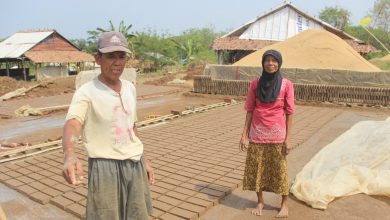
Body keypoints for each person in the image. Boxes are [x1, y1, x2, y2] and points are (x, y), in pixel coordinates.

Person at [62, 31, 154, 220]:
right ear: (98, 58)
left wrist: (145, 160)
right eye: (111, 56)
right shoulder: (86, 92)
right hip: (105, 167)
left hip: (135, 163)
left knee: (138, 214)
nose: (117, 62)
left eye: (122, 56)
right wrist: (69, 155)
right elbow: (73, 123)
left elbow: (132, 126)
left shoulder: (130, 88)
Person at [239, 49, 294, 218]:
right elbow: (249, 109)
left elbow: (290, 112)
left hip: (277, 135)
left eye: (274, 60)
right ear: (262, 63)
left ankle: (284, 204)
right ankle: (260, 201)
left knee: (280, 170)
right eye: (267, 60)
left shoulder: (286, 84)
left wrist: (288, 138)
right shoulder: (255, 84)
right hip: (257, 134)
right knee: (257, 169)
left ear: (279, 63)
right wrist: (244, 134)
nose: (270, 63)